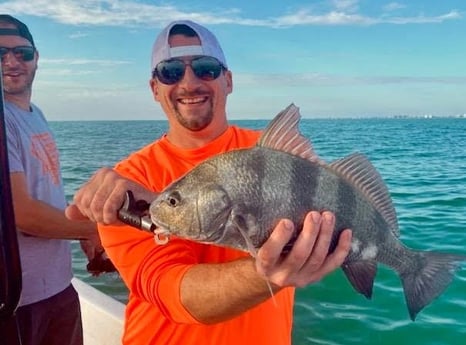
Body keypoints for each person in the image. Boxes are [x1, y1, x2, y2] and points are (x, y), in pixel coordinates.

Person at [66, 20, 353, 345]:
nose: (189, 83)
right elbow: (172, 292)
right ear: (154, 88)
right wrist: (265, 272)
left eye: (205, 68)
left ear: (227, 80)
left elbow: (333, 199)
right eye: (170, 71)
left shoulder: (272, 155)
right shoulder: (127, 186)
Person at [0, 14, 105, 345]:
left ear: (36, 58)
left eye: (22, 53)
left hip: (58, 288)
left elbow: (45, 197)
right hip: (17, 304)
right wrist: (97, 228)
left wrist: (81, 231)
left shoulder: (36, 114)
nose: (12, 62)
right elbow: (22, 214)